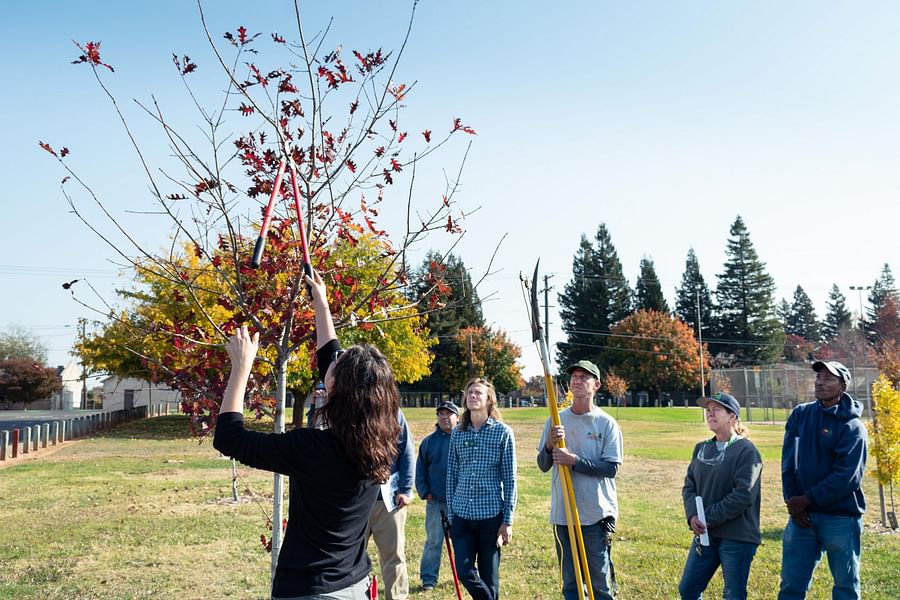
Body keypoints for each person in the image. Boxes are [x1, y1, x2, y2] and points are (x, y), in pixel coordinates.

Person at [213, 270, 400, 599]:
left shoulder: (314, 449)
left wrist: (241, 367)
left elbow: (229, 438)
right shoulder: (382, 441)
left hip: (310, 591)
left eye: (337, 369)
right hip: (354, 585)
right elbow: (331, 356)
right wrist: (322, 305)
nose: (333, 361)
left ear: (336, 389)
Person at [778, 360, 868, 600]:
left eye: (829, 378)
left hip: (840, 518)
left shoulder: (853, 427)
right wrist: (792, 501)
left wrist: (806, 499)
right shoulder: (801, 415)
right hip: (801, 518)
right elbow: (789, 463)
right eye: (819, 376)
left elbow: (846, 478)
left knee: (845, 587)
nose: (820, 382)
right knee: (791, 585)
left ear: (843, 386)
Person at [537, 360, 623, 600]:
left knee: (600, 584)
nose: (576, 380)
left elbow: (611, 468)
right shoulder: (555, 420)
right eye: (574, 376)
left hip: (596, 515)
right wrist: (549, 444)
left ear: (596, 385)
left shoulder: (606, 423)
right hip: (563, 515)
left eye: (583, 377)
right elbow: (543, 465)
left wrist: (574, 460)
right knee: (571, 584)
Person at [679, 392, 762, 600]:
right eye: (708, 410)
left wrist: (708, 517)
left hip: (737, 536)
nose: (710, 414)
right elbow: (689, 486)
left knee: (733, 594)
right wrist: (693, 516)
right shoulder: (701, 448)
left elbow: (743, 495)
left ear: (732, 416)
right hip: (705, 535)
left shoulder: (746, 451)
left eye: (717, 409)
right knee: (688, 588)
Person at [446, 378, 517, 600]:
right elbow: (451, 476)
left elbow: (510, 479)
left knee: (490, 579)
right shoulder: (458, 432)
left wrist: (507, 521)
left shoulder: (503, 433)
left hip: (490, 518)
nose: (472, 396)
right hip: (461, 517)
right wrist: (450, 515)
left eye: (478, 393)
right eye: (470, 393)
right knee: (465, 572)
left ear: (489, 400)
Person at [368, 408, 415, 600]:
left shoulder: (392, 411)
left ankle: (396, 597)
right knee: (349, 556)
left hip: (388, 500)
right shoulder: (346, 405)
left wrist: (405, 489)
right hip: (354, 502)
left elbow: (407, 451)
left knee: (393, 556)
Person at [415, 400, 460, 591]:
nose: (444, 417)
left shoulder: (463, 439)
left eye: (448, 414)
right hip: (436, 502)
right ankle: (428, 579)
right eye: (441, 414)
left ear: (457, 417)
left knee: (461, 540)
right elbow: (420, 471)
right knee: (434, 541)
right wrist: (426, 492)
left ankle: (464, 575)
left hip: (460, 501)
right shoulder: (429, 442)